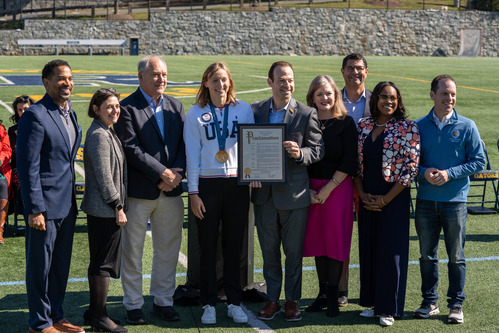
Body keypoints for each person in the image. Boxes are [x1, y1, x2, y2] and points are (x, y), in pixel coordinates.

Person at [114, 56, 186, 325]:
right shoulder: (127, 107)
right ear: (140, 77)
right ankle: (133, 304)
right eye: (155, 74)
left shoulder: (175, 105)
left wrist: (176, 173)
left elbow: (183, 144)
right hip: (139, 191)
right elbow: (131, 148)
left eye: (164, 74)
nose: (161, 79)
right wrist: (162, 173)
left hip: (171, 190)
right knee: (132, 251)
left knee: (167, 249)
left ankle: (163, 301)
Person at [251, 61, 324, 322]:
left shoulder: (305, 113)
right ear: (270, 82)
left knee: (293, 253)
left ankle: (291, 300)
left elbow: (317, 150)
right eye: (281, 80)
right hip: (263, 195)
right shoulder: (255, 110)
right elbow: (245, 147)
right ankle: (272, 299)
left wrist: (300, 153)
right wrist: (250, 175)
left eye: (290, 79)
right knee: (269, 252)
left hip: (294, 195)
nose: (287, 84)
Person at [184, 62, 254, 325]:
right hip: (207, 186)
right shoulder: (195, 113)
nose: (220, 85)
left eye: (224, 80)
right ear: (206, 83)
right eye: (215, 80)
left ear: (230, 82)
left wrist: (254, 174)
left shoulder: (243, 109)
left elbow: (252, 147)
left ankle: (235, 301)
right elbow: (192, 155)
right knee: (208, 247)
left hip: (237, 185)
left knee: (234, 246)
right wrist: (193, 193)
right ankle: (208, 303)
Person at [17, 59, 84, 333]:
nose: (66, 83)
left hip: (67, 205)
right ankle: (39, 323)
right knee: (40, 268)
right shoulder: (35, 114)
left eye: (69, 78)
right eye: (60, 78)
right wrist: (34, 209)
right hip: (43, 207)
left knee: (59, 267)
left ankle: (57, 316)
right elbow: (27, 165)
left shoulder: (71, 113)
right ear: (46, 82)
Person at [414, 75, 485, 324]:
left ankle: (456, 304)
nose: (450, 98)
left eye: (453, 94)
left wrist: (449, 174)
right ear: (432, 95)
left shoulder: (467, 125)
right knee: (426, 255)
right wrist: (424, 172)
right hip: (425, 201)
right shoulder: (418, 126)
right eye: (444, 94)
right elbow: (410, 162)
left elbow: (479, 161)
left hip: (455, 202)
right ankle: (429, 302)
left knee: (456, 256)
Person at [354, 81, 420, 327]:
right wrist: (362, 194)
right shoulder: (363, 126)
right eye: (384, 97)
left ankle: (388, 308)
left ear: (398, 101)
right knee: (369, 250)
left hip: (393, 198)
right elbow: (356, 166)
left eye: (393, 98)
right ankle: (372, 303)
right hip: (367, 195)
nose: (388, 102)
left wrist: (385, 199)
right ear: (375, 100)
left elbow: (410, 170)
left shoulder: (407, 127)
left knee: (391, 253)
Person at [302, 75, 357, 317]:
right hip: (311, 190)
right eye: (319, 94)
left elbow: (350, 161)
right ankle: (322, 294)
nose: (325, 98)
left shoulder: (346, 123)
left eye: (329, 93)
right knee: (317, 242)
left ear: (336, 95)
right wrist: (309, 190)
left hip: (338, 189)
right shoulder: (306, 121)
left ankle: (334, 295)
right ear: (312, 98)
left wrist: (327, 189)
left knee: (335, 242)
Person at [80, 88, 128, 333]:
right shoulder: (99, 134)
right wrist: (117, 206)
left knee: (100, 262)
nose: (115, 110)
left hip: (104, 209)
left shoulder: (106, 131)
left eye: (116, 106)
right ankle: (100, 316)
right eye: (109, 106)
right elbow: (104, 177)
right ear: (96, 109)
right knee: (103, 264)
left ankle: (93, 312)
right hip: (104, 210)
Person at [338, 52, 372, 307]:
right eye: (350, 68)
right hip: (339, 178)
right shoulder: (330, 99)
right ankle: (340, 290)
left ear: (366, 72)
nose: (354, 72)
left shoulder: (378, 100)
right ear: (342, 72)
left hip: (369, 179)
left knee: (370, 236)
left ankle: (370, 291)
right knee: (340, 237)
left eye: (359, 68)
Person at [8, 95, 34, 220]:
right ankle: (27, 216)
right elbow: (14, 152)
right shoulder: (13, 130)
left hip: (36, 166)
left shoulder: (38, 126)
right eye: (20, 110)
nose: (23, 112)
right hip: (19, 167)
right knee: (23, 183)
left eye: (26, 109)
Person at [0, 122, 11, 244]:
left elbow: (7, 150)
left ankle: (0, 230)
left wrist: (0, 160)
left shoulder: (1, 130)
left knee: (3, 185)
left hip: (0, 169)